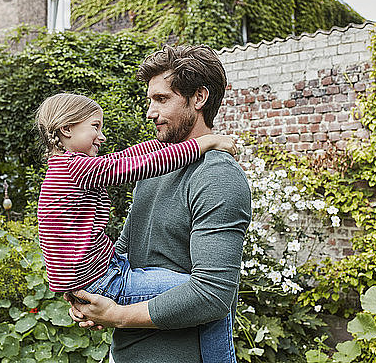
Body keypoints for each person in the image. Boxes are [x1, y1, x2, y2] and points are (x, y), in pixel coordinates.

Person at [67, 45, 252, 363]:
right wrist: (93, 294)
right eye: (150, 100)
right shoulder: (155, 166)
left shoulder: (217, 175)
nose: (150, 112)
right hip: (126, 353)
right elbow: (127, 251)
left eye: (162, 99)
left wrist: (119, 315)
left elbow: (213, 294)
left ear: (199, 98)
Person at [34, 92, 239, 363]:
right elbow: (142, 164)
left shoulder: (64, 168)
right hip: (106, 280)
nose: (102, 136)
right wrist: (206, 142)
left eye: (162, 99)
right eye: (95, 126)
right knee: (212, 302)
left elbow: (127, 157)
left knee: (211, 299)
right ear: (67, 129)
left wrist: (76, 294)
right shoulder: (77, 170)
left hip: (101, 275)